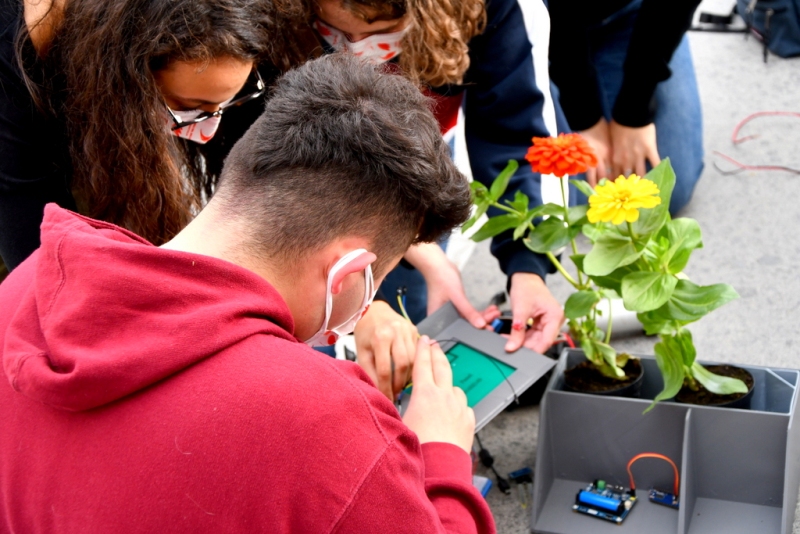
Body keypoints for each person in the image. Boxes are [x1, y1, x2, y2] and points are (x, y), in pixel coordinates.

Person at [0, 55, 496, 533]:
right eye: (373, 286)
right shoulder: (324, 421)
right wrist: (443, 456)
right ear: (346, 273)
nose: (366, 307)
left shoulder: (26, 286)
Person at [252, 0, 568, 364]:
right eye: (334, 31)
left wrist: (528, 267)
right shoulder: (268, 12)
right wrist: (363, 307)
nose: (357, 50)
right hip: (297, 181)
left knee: (408, 320)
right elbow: (266, 170)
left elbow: (516, 132)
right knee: (303, 328)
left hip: (413, 168)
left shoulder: (499, 6)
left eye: (380, 34)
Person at [548, 0, 704, 214]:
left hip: (638, 13)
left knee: (666, 192)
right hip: (541, 22)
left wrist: (633, 112)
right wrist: (583, 116)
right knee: (571, 197)